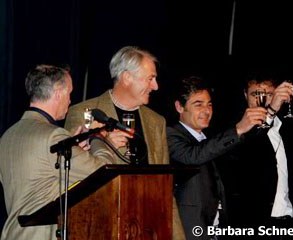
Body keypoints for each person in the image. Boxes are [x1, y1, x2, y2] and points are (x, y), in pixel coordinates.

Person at [64, 46, 186, 239]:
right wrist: (103, 143)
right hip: (103, 226)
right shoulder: (85, 113)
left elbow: (164, 186)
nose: (156, 86)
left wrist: (177, 235)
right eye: (150, 78)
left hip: (149, 227)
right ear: (127, 78)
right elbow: (71, 175)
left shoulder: (156, 121)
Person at [0, 65, 116, 240]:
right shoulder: (53, 136)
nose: (70, 100)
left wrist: (74, 147)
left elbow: (39, 179)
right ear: (58, 93)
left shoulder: (8, 136)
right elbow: (103, 173)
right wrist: (99, 138)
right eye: (69, 93)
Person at [166, 76, 268, 240]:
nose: (207, 111)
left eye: (209, 104)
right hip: (189, 230)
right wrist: (238, 129)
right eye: (198, 104)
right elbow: (194, 156)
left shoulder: (209, 138)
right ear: (179, 106)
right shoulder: (170, 134)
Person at [223, 71, 293, 239]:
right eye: (256, 94)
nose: (264, 100)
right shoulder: (235, 131)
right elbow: (251, 149)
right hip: (254, 227)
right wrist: (271, 110)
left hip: (288, 225)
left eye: (269, 94)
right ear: (245, 95)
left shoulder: (287, 129)